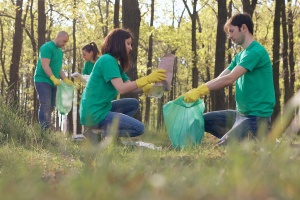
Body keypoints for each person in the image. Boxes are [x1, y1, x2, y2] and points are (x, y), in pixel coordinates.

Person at [181, 13, 275, 146]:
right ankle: (241, 137)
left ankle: (259, 137)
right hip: (239, 116)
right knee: (200, 120)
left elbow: (230, 79)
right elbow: (220, 78)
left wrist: (201, 90)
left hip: (256, 119)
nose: (229, 36)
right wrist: (197, 91)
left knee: (223, 147)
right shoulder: (240, 56)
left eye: (231, 31)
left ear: (243, 28)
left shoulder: (256, 52)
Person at [80, 28, 166, 143]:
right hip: (94, 113)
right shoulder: (107, 60)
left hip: (101, 107)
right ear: (118, 43)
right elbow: (122, 88)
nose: (130, 48)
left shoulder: (114, 63)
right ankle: (100, 134)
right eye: (128, 44)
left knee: (133, 104)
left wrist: (147, 88)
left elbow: (129, 85)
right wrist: (147, 78)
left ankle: (106, 134)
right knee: (139, 128)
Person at [34, 31, 73, 130]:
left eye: (66, 42)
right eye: (64, 41)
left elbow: (59, 68)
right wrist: (52, 77)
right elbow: (45, 64)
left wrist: (65, 79)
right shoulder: (47, 47)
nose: (64, 44)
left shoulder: (59, 52)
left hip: (53, 82)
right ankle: (44, 130)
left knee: (51, 106)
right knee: (45, 104)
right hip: (42, 80)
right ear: (58, 36)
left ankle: (46, 129)